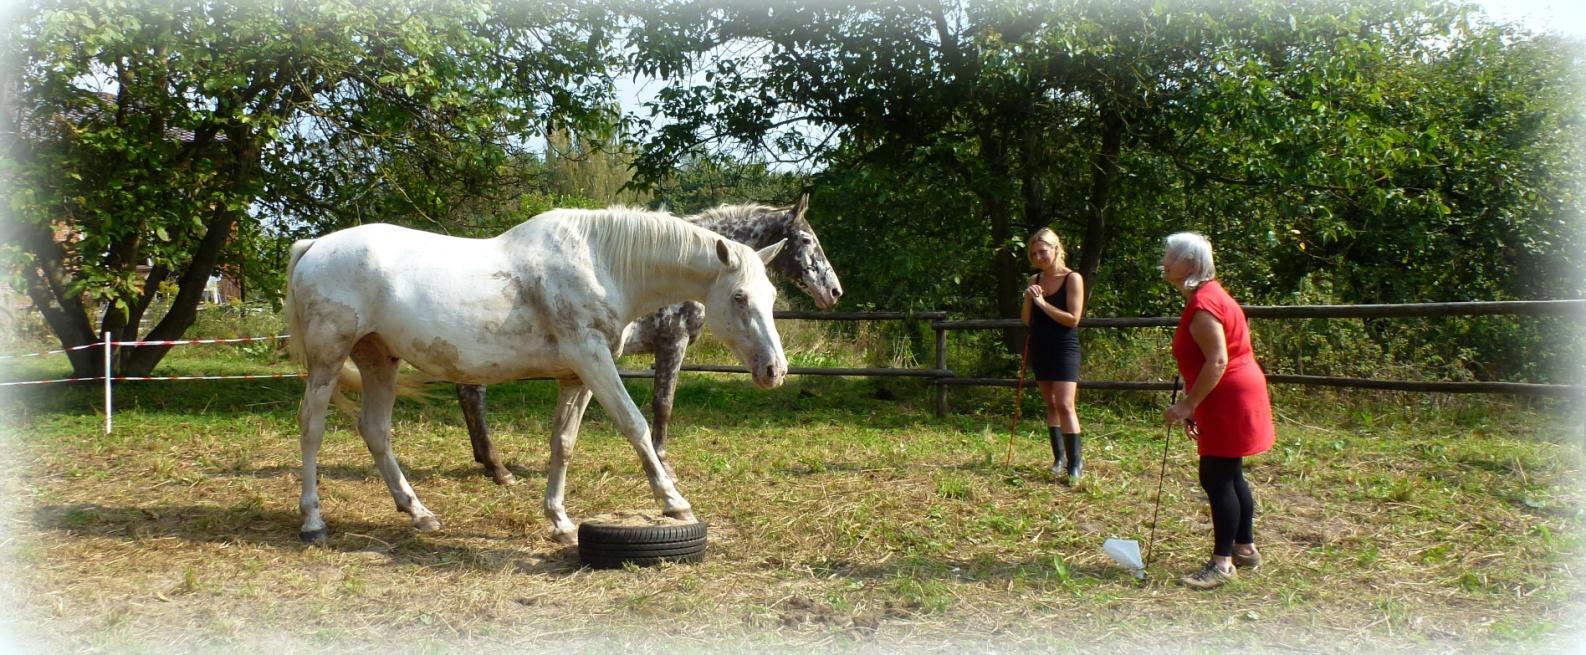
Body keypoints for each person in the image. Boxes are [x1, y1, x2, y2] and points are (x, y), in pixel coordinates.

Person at [1159, 232, 1275, 590]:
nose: (1163, 261)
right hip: (1231, 394)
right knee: (1230, 473)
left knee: (1217, 476)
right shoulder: (1208, 295)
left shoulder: (1204, 304)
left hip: (1228, 396)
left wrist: (1187, 404)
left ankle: (1222, 563)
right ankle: (1245, 548)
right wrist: (1195, 405)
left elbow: (1218, 359)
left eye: (1169, 256)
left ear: (1190, 264)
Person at [1021, 228, 1085, 482]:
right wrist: (1029, 300)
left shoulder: (1073, 278)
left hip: (1064, 347)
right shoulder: (1034, 281)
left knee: (1065, 403)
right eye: (1034, 253)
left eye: (1043, 251)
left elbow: (1073, 319)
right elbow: (1027, 320)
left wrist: (1043, 304)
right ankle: (1059, 458)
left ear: (1056, 249)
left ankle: (1075, 463)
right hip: (1041, 346)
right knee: (1050, 403)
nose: (1038, 257)